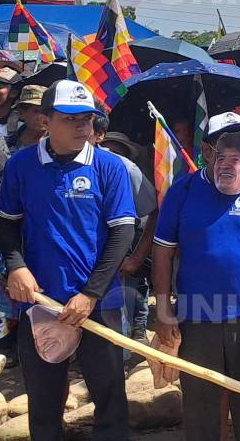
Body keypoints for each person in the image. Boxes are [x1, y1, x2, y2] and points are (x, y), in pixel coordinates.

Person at [0, 80, 136, 440]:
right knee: (43, 400)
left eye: (87, 119)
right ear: (45, 120)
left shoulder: (109, 167)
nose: (81, 127)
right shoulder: (21, 166)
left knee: (109, 397)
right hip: (40, 300)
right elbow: (7, 225)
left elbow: (122, 235)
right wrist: (17, 266)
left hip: (99, 302)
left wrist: (90, 294)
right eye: (70, 118)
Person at [152, 124, 240, 441]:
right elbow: (161, 254)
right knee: (202, 411)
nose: (231, 162)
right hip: (197, 317)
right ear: (205, 152)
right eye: (222, 153)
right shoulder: (182, 192)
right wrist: (163, 311)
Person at [91, 120, 158, 343]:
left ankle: (132, 343)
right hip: (81, 265)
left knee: (127, 302)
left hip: (123, 249)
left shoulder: (126, 169)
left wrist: (137, 257)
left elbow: (154, 212)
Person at [7, 85, 47, 154]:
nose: (42, 116)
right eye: (36, 111)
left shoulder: (59, 143)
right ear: (21, 114)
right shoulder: (9, 144)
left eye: (45, 111)